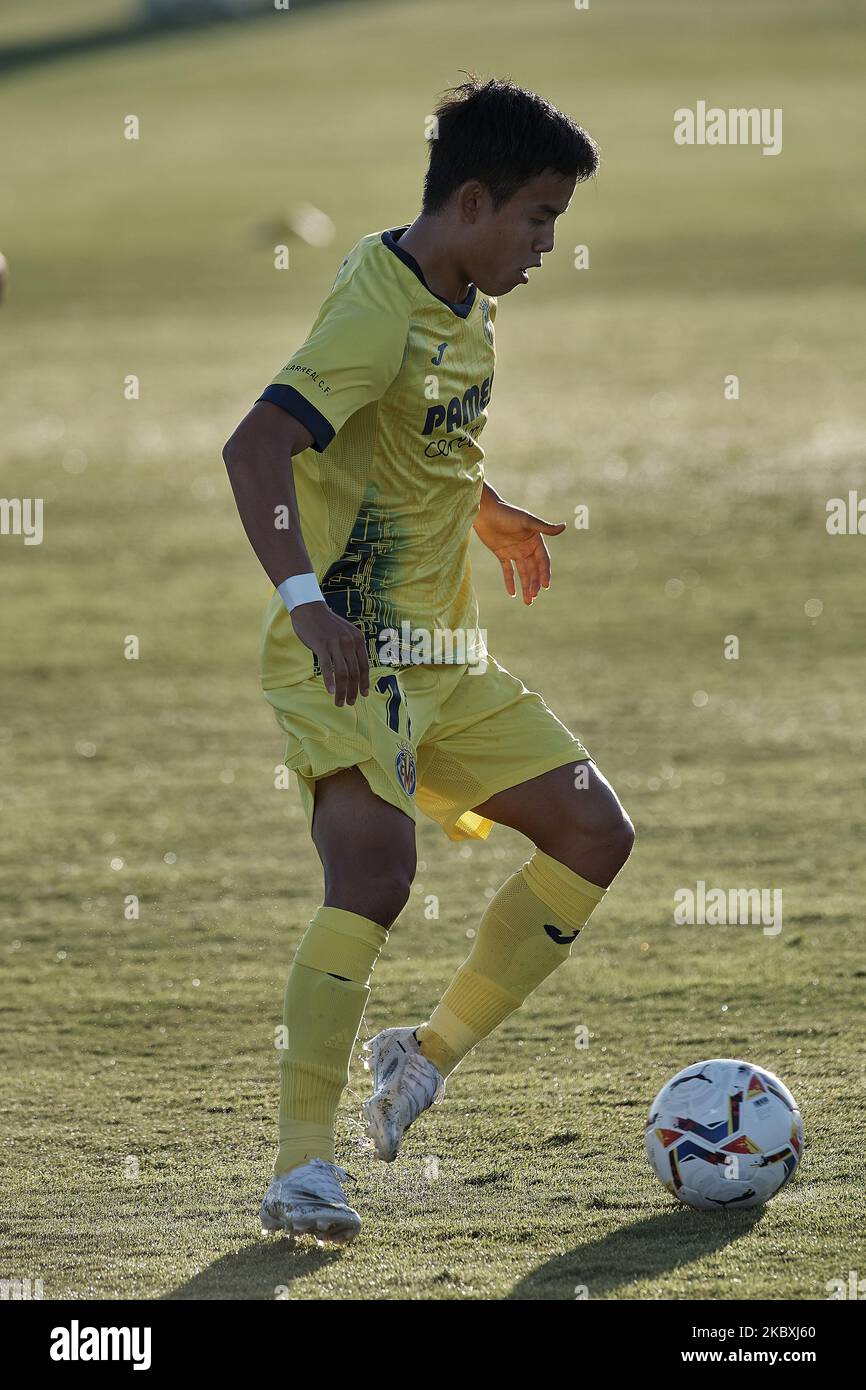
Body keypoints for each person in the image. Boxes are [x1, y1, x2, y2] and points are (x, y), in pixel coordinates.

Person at [223, 76, 634, 1244]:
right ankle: (303, 1166)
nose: (548, 244)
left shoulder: (461, 294)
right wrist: (306, 603)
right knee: (374, 875)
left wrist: (486, 507)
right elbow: (253, 446)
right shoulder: (374, 309)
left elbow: (415, 435)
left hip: (440, 657)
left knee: (594, 832)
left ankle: (423, 1052)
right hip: (348, 646)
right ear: (469, 199)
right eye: (538, 217)